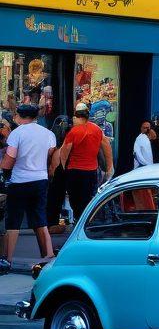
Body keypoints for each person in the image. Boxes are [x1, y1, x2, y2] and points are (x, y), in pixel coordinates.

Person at [0, 104, 57, 274]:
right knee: (40, 219)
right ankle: (48, 256)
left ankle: (7, 259)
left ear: (20, 116)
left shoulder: (17, 133)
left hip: (19, 181)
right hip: (40, 180)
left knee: (13, 221)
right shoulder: (48, 134)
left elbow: (9, 159)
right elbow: (51, 154)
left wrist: (4, 170)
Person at [52, 103, 114, 222]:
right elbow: (107, 147)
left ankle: (79, 220)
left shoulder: (74, 132)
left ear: (76, 116)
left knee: (75, 199)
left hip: (75, 170)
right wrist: (109, 166)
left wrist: (63, 166)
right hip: (91, 171)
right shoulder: (97, 129)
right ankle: (87, 220)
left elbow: (65, 151)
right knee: (89, 198)